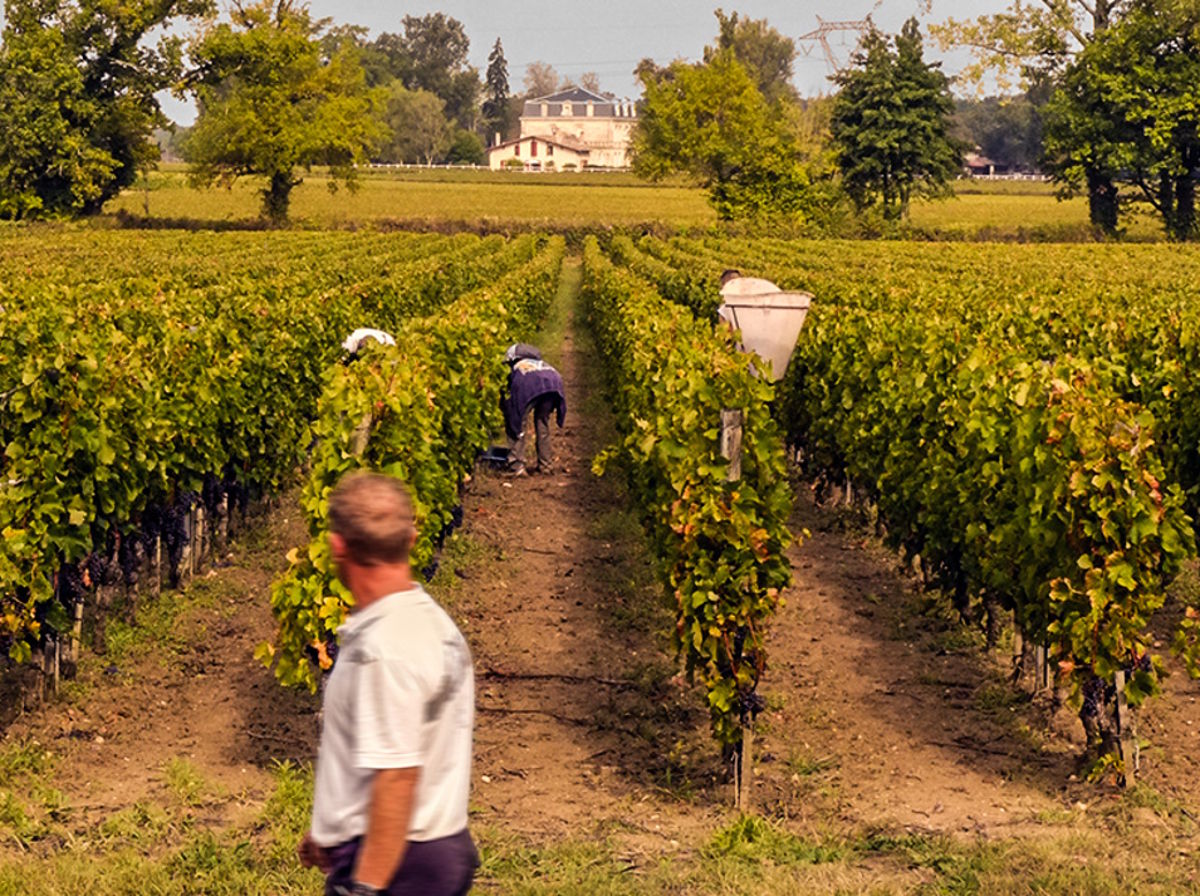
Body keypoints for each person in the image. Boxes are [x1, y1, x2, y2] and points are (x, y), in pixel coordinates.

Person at [298, 472, 478, 896]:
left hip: (399, 867)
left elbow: (397, 777)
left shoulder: (386, 648)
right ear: (412, 538)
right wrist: (332, 830)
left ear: (337, 547)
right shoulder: (430, 624)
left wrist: (366, 887)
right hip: (425, 850)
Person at [501, 343, 566, 476]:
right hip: (554, 385)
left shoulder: (517, 368)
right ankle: (546, 465)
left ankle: (517, 466)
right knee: (543, 423)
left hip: (530, 386)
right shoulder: (541, 364)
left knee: (518, 424)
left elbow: (513, 403)